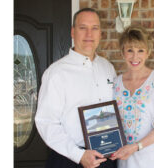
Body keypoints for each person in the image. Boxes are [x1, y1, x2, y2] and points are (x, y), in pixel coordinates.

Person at [35, 8, 117, 168]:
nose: (89, 34)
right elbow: (46, 122)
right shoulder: (57, 72)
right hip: (69, 160)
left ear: (100, 33)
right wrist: (78, 155)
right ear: (73, 32)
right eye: (83, 28)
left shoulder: (107, 67)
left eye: (94, 28)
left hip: (106, 156)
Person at [110, 25, 154, 168]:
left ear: (148, 53)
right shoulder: (114, 85)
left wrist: (135, 147)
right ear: (122, 53)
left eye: (140, 50)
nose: (135, 57)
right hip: (126, 162)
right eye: (130, 50)